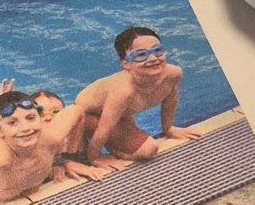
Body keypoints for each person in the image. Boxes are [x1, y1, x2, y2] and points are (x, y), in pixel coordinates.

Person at [72, 26, 200, 159]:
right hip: (83, 116)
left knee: (133, 139)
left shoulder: (173, 74)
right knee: (148, 149)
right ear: (126, 64)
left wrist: (168, 129)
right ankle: (90, 147)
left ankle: (112, 143)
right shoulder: (124, 90)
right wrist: (95, 157)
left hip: (119, 115)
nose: (153, 58)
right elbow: (104, 129)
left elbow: (170, 101)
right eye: (141, 55)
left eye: (157, 50)